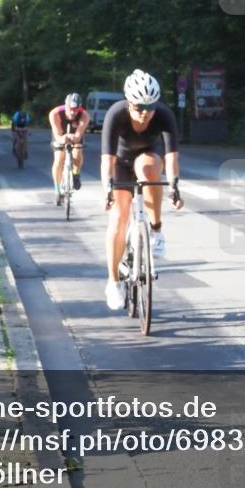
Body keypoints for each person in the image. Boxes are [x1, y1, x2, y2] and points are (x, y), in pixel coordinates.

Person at [101, 69, 183, 310]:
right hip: (120, 162)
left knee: (148, 169)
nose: (145, 114)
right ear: (128, 103)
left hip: (147, 156)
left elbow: (171, 157)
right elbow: (107, 159)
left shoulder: (164, 115)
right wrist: (107, 189)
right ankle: (113, 281)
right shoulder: (115, 113)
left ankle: (156, 229)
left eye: (150, 107)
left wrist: (175, 188)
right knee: (118, 217)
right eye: (139, 108)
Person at [48, 93, 89, 204]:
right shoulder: (55, 113)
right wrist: (62, 139)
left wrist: (74, 138)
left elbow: (78, 135)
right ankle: (57, 190)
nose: (72, 112)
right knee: (59, 158)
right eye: (70, 109)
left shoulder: (84, 115)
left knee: (77, 151)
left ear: (79, 108)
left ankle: (76, 172)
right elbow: (57, 135)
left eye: (76, 110)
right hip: (60, 133)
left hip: (75, 133)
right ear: (65, 106)